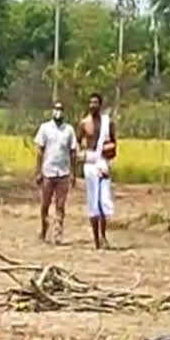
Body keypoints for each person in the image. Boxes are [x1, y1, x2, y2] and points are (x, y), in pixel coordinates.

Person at [34, 102, 78, 244]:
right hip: (48, 171)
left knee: (60, 204)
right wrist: (38, 171)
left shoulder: (69, 130)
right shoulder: (45, 128)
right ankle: (43, 228)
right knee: (45, 204)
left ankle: (58, 233)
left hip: (63, 173)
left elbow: (73, 153)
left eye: (60, 109)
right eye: (56, 109)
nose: (58, 112)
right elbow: (40, 151)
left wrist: (73, 173)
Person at [77, 93, 117, 249]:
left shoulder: (108, 122)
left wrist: (111, 151)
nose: (93, 105)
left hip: (103, 161)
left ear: (100, 105)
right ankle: (96, 239)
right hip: (90, 161)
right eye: (91, 102)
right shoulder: (84, 123)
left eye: (96, 103)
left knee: (103, 200)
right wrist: (81, 155)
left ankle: (103, 235)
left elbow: (114, 142)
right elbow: (78, 142)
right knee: (93, 202)